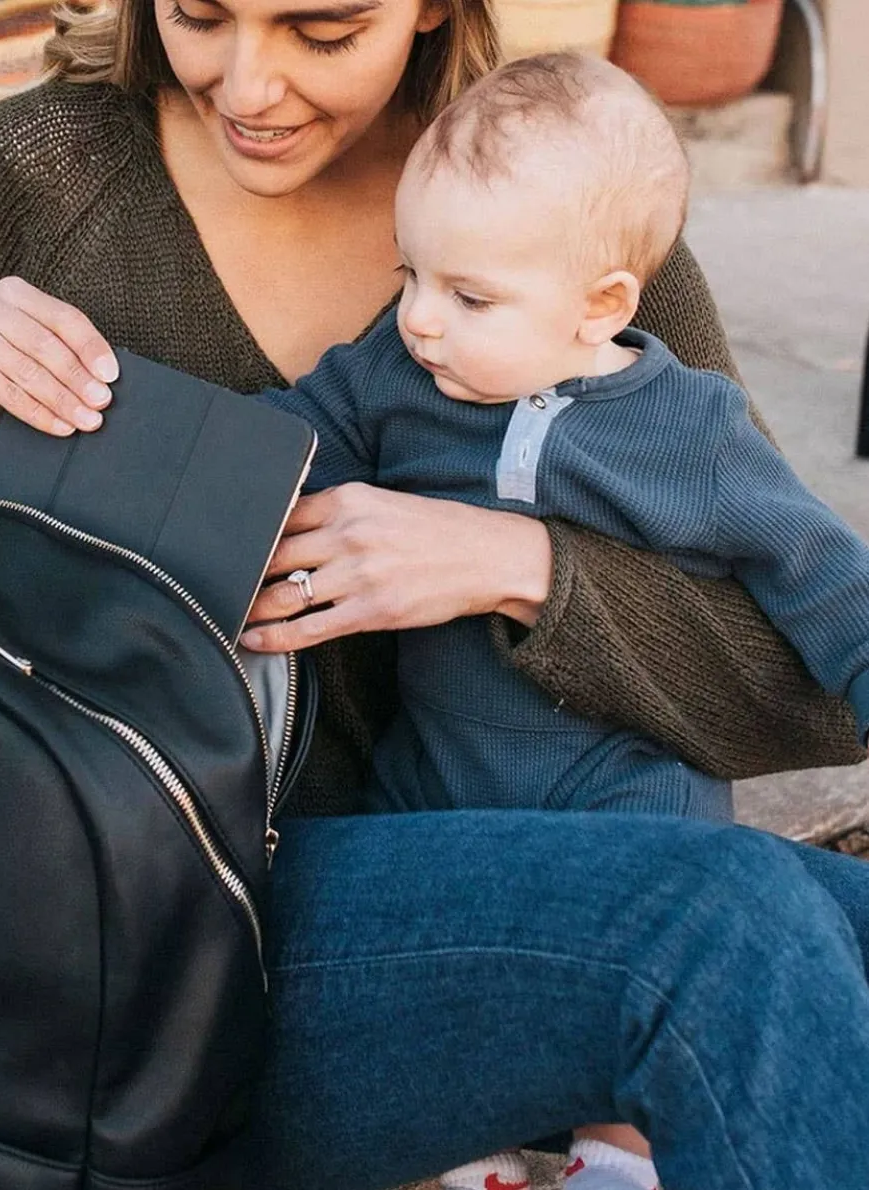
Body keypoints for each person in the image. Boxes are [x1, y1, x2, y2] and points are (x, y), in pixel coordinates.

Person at [0, 0, 869, 1185]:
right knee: (720, 929)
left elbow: (797, 691)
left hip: (488, 871)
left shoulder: (562, 194)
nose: (247, 85)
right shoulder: (47, 168)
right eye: (197, 15)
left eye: (321, 30)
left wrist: (521, 571)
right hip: (149, 911)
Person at [246, 49, 869, 1187]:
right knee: (435, 962)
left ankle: (618, 1153)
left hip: (625, 794)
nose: (422, 321)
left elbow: (821, 580)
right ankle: (466, 1139)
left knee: (696, 941)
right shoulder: (399, 372)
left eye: (468, 296)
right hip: (429, 781)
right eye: (409, 277)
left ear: (602, 306)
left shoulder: (688, 431)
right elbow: (281, 439)